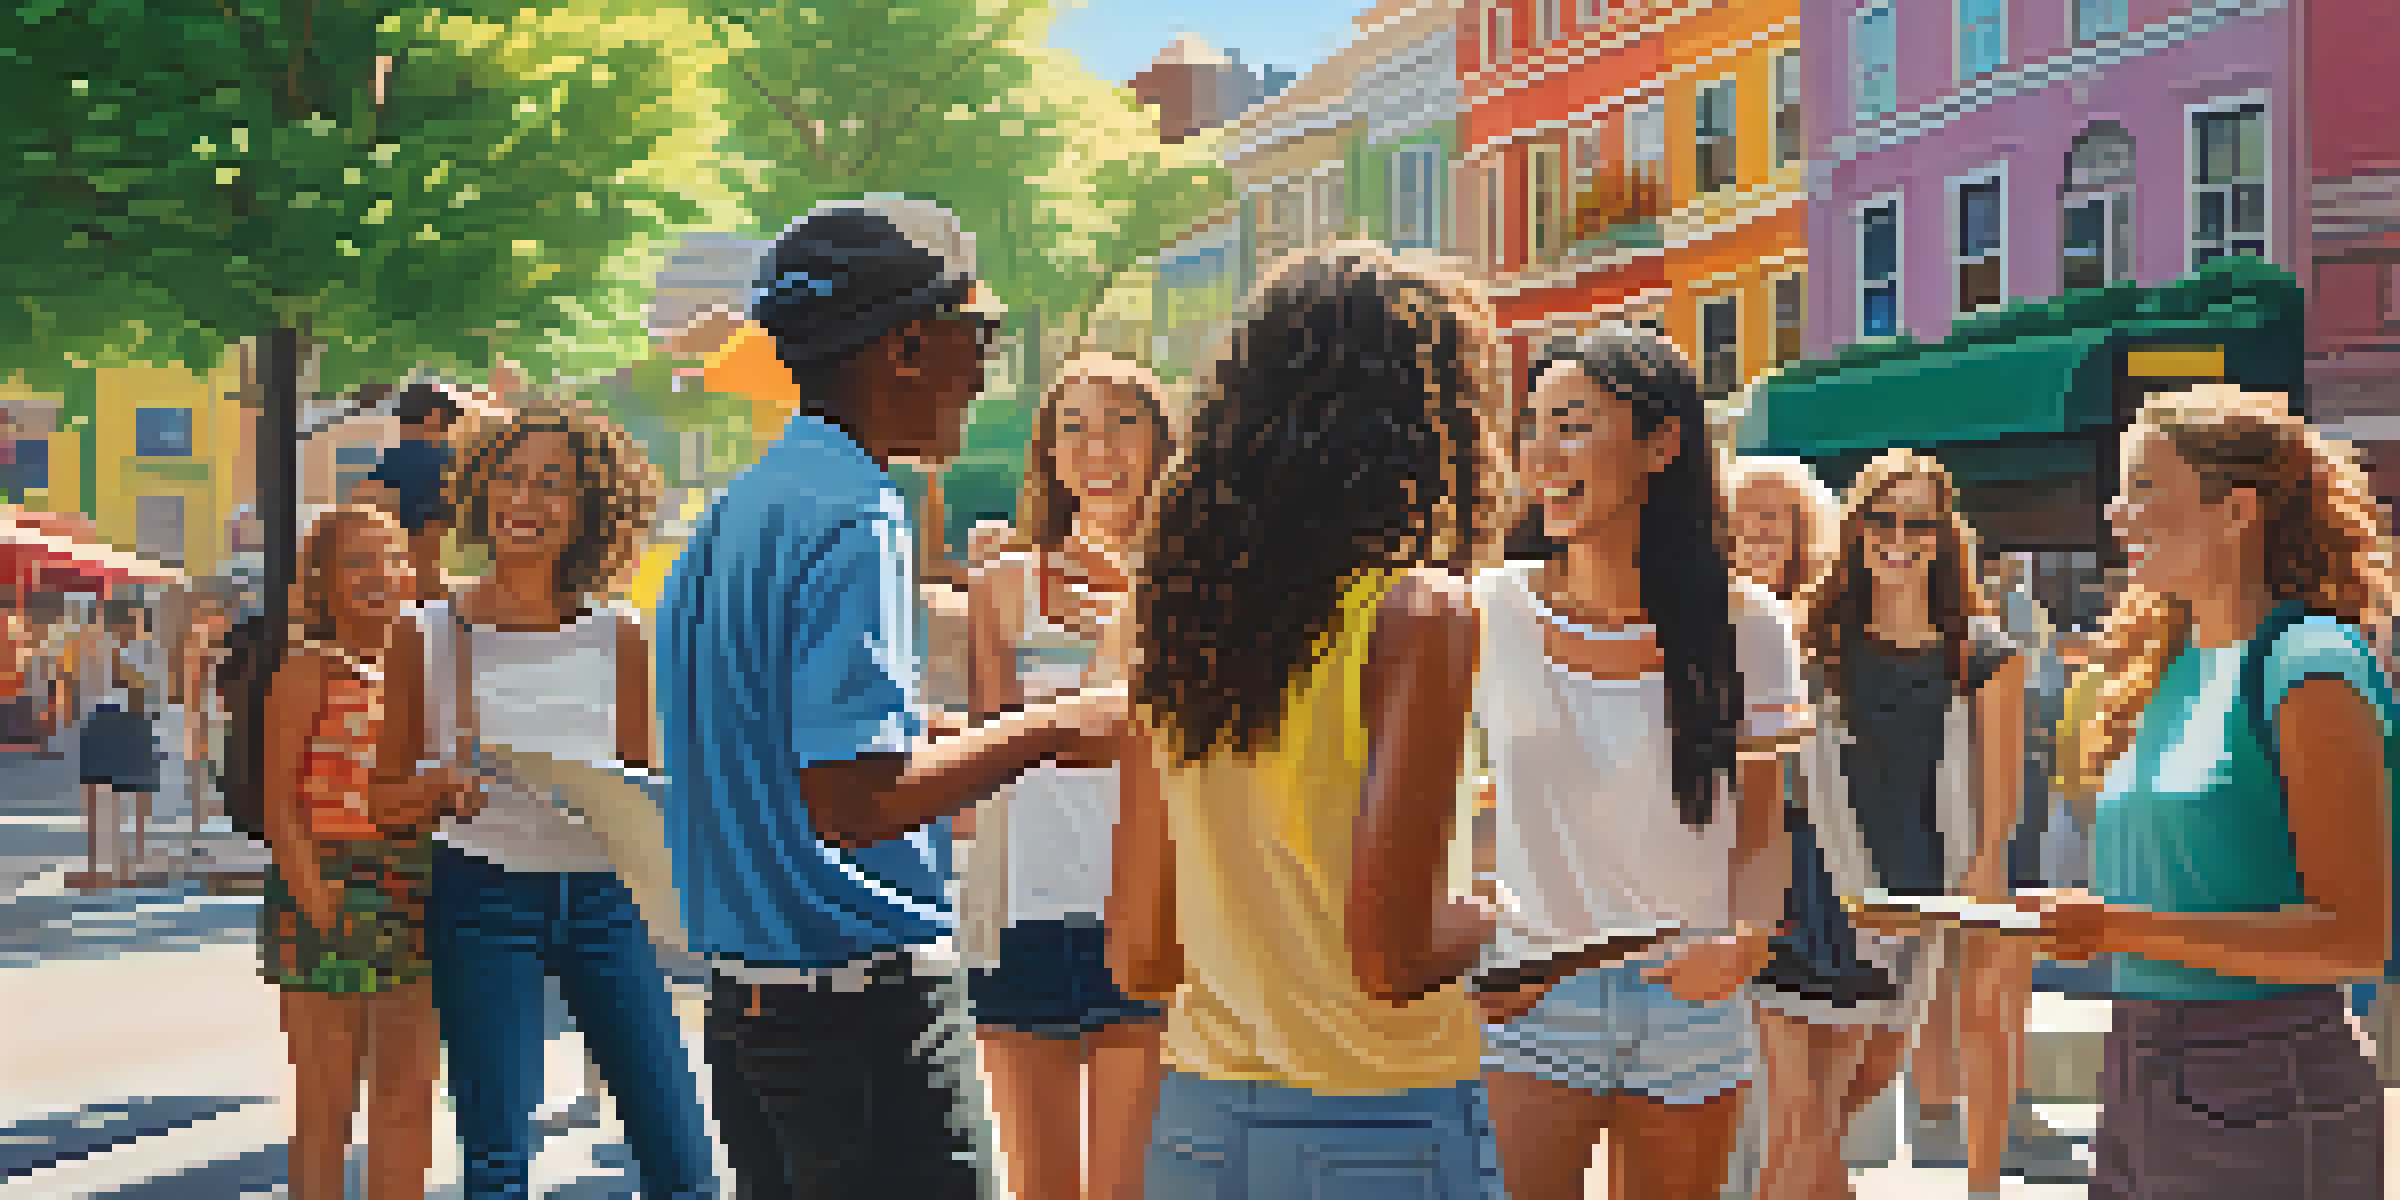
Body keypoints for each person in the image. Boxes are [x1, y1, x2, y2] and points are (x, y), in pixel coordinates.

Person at [657, 197, 1126, 1200]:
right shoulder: (856, 514)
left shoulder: (741, 510)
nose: (987, 366)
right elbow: (854, 801)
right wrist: (1055, 725)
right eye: (979, 333)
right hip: (861, 1020)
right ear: (908, 344)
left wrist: (950, 735)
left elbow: (766, 753)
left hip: (754, 1014)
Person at [1111, 243, 1503, 1200]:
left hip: (1200, 1125)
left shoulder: (1169, 618)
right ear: (1425, 422)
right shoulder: (1419, 617)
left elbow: (1140, 954)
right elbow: (1393, 956)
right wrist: (1507, 915)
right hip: (1381, 1122)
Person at [1474, 329, 1809, 1200]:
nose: (1541, 453)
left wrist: (1743, 949)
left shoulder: (1751, 628)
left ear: (1662, 444)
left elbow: (1762, 834)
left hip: (1691, 1003)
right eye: (1533, 425)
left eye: (1573, 424)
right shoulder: (1488, 607)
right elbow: (1451, 800)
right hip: (1530, 999)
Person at [2032, 385, 2390, 1198]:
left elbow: (2353, 939)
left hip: (2264, 1079)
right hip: (2138, 1066)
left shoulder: (2311, 665)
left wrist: (2119, 926)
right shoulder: (2166, 667)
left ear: (2237, 509)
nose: (2118, 515)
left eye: (2145, 488)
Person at [400, 408, 715, 1199]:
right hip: (480, 893)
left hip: (605, 896)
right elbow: (383, 796)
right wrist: (435, 790)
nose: (526, 499)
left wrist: (627, 800)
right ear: (480, 490)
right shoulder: (428, 631)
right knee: (498, 1158)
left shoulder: (619, 634)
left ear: (587, 508)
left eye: (552, 483)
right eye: (510, 477)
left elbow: (647, 783)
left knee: (679, 1152)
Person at [1770, 451, 2062, 1200]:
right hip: (1825, 898)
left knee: (1858, 1096)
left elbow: (2000, 804)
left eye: (1918, 523)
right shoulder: (1813, 640)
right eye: (1883, 518)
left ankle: (1984, 1185)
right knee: (1819, 1109)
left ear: (1942, 536)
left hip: (1929, 899)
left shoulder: (1982, 654)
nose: (1899, 537)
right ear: (1857, 526)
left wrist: (1976, 891)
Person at [960, 353, 1171, 1200]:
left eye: (1123, 423)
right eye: (1072, 430)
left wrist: (1140, 614)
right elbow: (995, 753)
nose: (1099, 449)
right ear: (1046, 455)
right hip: (1025, 910)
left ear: (1161, 441)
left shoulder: (1200, 587)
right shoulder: (1008, 582)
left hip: (1147, 912)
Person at [260, 506, 477, 1200]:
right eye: (358, 561)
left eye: (390, 558)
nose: (380, 574)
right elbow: (279, 804)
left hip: (415, 889)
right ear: (322, 583)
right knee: (327, 1112)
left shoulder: (422, 675)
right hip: (328, 884)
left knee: (408, 1101)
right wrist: (316, 899)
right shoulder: (309, 668)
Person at [364, 382, 465, 605]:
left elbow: (369, 506)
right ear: (435, 417)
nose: (449, 428)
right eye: (449, 422)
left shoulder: (389, 461)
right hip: (425, 575)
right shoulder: (448, 460)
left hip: (401, 575)